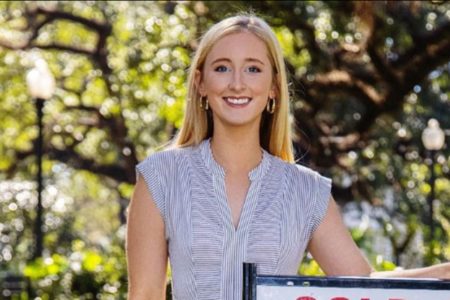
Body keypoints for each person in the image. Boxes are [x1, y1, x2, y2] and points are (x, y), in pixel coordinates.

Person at [126, 14, 450, 300]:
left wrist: (445, 272)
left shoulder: (307, 191)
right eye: (222, 67)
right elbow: (144, 294)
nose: (237, 83)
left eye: (253, 69)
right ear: (200, 83)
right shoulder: (161, 177)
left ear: (274, 87)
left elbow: (361, 284)